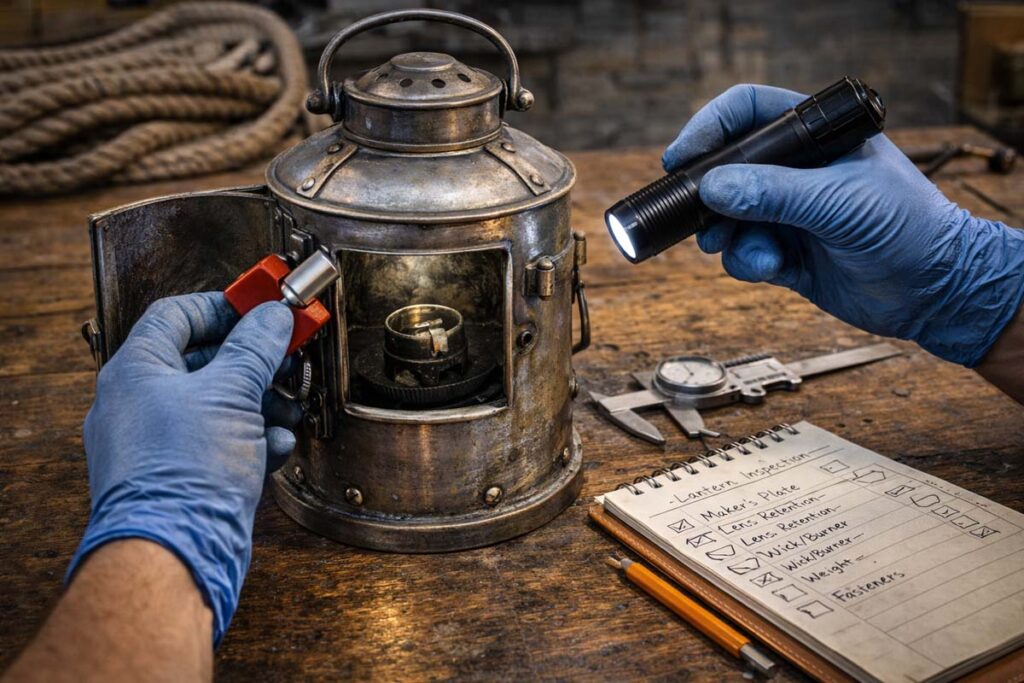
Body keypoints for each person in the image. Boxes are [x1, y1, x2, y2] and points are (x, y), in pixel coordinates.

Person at [4, 84, 1022, 681]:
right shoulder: (321, 186)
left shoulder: (512, 179)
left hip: (516, 479)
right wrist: (167, 529)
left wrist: (976, 291)